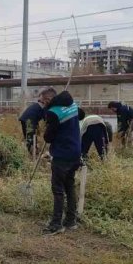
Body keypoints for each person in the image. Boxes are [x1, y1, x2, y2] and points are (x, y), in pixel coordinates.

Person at [42, 87, 81, 234]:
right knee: (69, 186)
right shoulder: (73, 105)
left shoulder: (53, 112)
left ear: (48, 100)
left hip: (62, 155)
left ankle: (56, 224)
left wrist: (48, 123)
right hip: (75, 153)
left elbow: (48, 137)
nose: (42, 104)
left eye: (43, 101)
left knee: (58, 190)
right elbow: (82, 115)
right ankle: (71, 221)